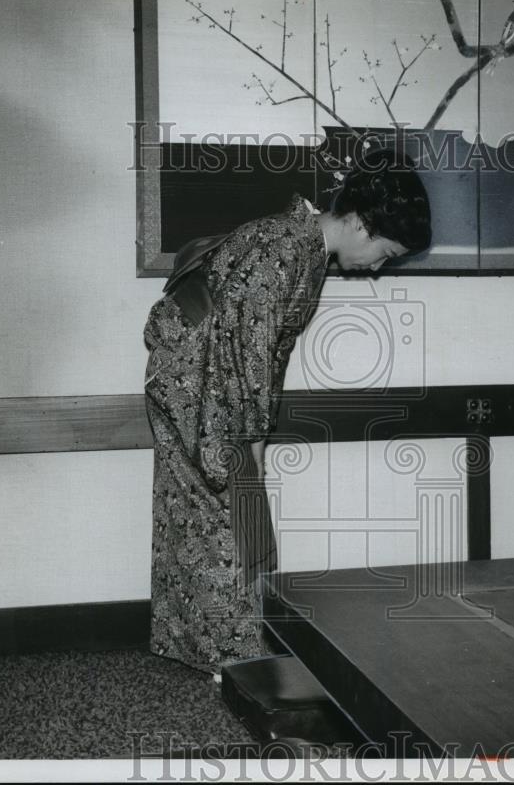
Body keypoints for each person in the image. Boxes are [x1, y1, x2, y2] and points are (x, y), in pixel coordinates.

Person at [143, 150, 432, 674]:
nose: (379, 268)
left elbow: (267, 353)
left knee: (215, 516)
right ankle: (234, 660)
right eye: (386, 254)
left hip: (210, 380)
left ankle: (212, 648)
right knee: (220, 517)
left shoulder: (303, 247)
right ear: (364, 226)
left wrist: (256, 433)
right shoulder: (283, 246)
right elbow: (250, 353)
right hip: (196, 379)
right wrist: (252, 439)